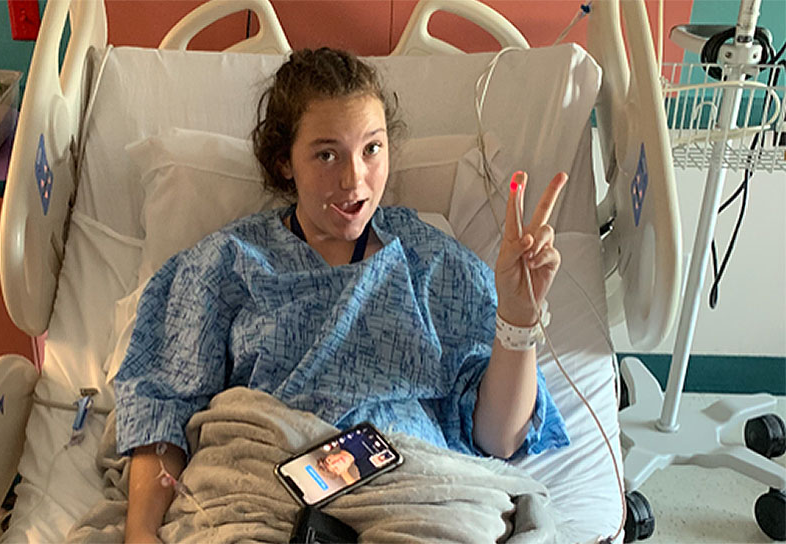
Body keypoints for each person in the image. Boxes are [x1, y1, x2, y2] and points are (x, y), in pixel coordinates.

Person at [114, 47, 570, 543]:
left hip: (411, 495)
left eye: (372, 148)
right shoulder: (225, 265)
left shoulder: (436, 266)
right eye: (326, 154)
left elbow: (499, 438)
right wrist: (141, 534)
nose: (354, 179)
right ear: (283, 162)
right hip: (260, 494)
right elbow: (162, 413)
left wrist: (518, 321)